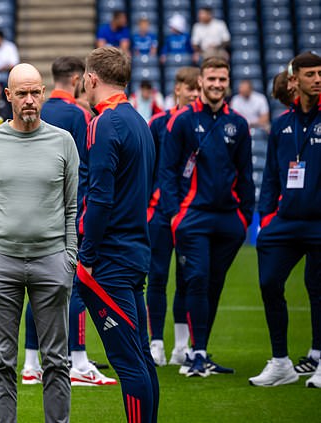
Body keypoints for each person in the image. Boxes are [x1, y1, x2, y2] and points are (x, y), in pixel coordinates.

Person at [0, 63, 78, 423]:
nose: (30, 100)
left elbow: (72, 205)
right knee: (2, 362)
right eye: (22, 93)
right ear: (8, 97)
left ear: (44, 93)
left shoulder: (63, 141)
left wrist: (70, 257)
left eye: (35, 92)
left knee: (56, 361)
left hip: (52, 261)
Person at [21, 56, 115, 387]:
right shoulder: (81, 116)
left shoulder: (36, 111)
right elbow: (85, 171)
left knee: (34, 288)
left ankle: (31, 364)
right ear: (76, 79)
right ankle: (78, 361)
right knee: (71, 288)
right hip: (67, 215)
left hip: (33, 214)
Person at [76, 46, 159, 422]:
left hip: (110, 258)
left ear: (92, 79)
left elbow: (100, 198)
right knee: (140, 355)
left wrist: (88, 257)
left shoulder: (104, 123)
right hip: (134, 250)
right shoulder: (140, 120)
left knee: (127, 362)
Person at [159, 57, 254, 377]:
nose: (216, 84)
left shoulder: (239, 124)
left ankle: (201, 350)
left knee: (213, 284)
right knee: (196, 279)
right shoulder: (182, 120)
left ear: (228, 82)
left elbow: (246, 174)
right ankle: (195, 355)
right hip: (192, 218)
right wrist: (175, 216)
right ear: (201, 81)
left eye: (222, 79)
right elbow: (167, 171)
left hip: (229, 220)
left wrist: (245, 217)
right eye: (211, 79)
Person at [248, 52, 321, 388]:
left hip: (319, 222)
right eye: (310, 74)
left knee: (318, 288)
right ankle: (281, 362)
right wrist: (265, 220)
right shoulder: (281, 125)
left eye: (320, 73)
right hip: (286, 221)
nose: (317, 79)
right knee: (268, 283)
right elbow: (273, 179)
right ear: (295, 80)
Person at [146, 66, 200, 367]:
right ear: (177, 89)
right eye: (188, 87)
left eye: (197, 88)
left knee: (186, 279)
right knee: (156, 277)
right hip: (158, 213)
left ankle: (181, 346)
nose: (193, 93)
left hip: (190, 213)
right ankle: (157, 345)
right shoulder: (158, 123)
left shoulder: (201, 124)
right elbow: (148, 169)